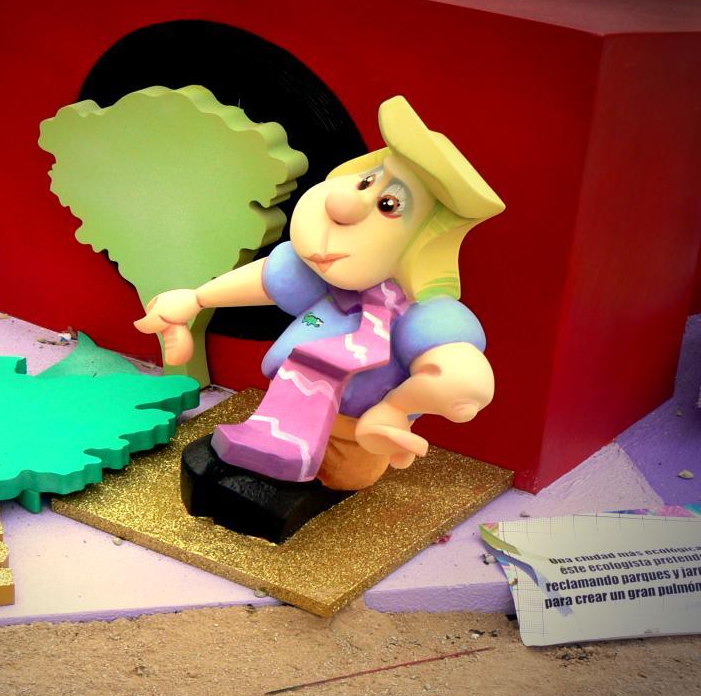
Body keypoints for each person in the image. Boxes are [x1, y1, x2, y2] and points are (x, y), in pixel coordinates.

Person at [136, 96, 504, 491]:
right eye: (367, 181)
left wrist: (398, 407)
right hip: (285, 405)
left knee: (345, 477)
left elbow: (461, 376)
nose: (342, 206)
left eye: (388, 204)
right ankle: (267, 461)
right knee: (245, 481)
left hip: (355, 430)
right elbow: (267, 278)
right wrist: (195, 299)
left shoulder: (420, 314)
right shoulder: (320, 279)